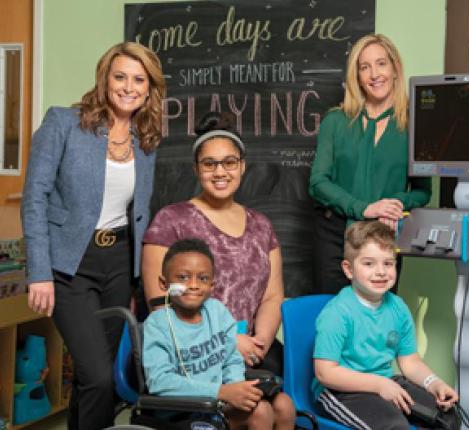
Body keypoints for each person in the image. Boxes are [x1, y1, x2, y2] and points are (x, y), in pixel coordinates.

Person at [21, 42, 165, 430]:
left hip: (119, 264)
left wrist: (138, 278)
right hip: (70, 265)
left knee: (98, 380)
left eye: (139, 80)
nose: (128, 87)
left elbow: (140, 211)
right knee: (99, 375)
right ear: (104, 80)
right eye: (120, 77)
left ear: (150, 88)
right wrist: (39, 271)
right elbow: (35, 197)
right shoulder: (63, 123)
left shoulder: (146, 138)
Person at [142, 111, 285, 376]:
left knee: (287, 403)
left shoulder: (261, 226)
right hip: (192, 353)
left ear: (242, 166)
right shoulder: (170, 221)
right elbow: (161, 303)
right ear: (196, 169)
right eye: (209, 164)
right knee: (257, 410)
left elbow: (273, 296)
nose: (220, 172)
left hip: (250, 349)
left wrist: (260, 344)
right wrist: (229, 342)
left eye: (229, 162)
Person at [309, 33, 432, 294]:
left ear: (395, 68)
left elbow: (423, 190)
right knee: (334, 317)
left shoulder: (415, 125)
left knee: (378, 320)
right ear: (357, 76)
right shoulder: (336, 121)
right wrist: (363, 208)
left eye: (381, 64)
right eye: (364, 67)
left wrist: (394, 205)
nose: (374, 74)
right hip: (334, 236)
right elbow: (318, 183)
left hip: (383, 236)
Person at [313, 221, 459, 430]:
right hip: (341, 391)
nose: (381, 272)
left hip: (386, 381)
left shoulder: (398, 307)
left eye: (388, 263)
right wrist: (379, 385)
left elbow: (409, 362)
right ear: (348, 269)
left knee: (448, 417)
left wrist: (434, 383)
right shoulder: (336, 313)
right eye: (369, 264)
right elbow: (325, 373)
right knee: (394, 427)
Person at [143, 239, 296, 429]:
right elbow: (160, 382)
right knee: (261, 412)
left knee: (284, 405)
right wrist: (221, 392)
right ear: (164, 283)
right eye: (183, 277)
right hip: (183, 410)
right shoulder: (158, 324)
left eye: (203, 278)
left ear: (212, 285)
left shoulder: (216, 311)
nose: (193, 285)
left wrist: (239, 390)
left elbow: (231, 358)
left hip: (219, 402)